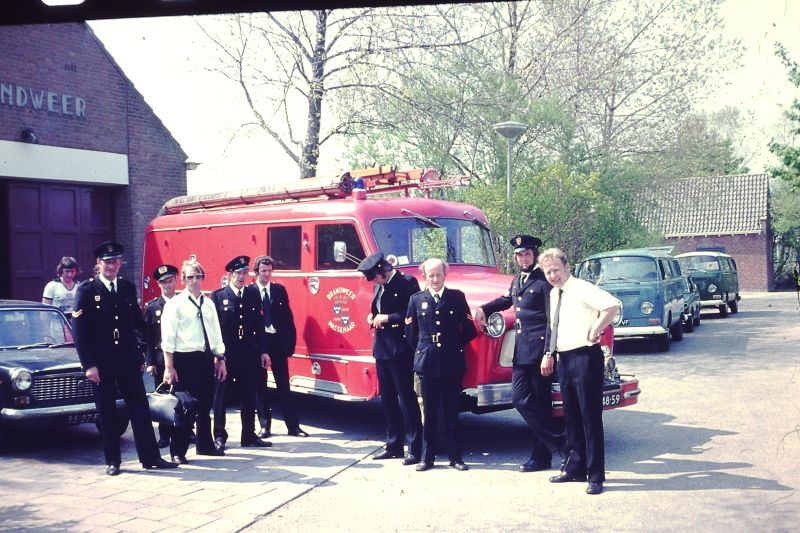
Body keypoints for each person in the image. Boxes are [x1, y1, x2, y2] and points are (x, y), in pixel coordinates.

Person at [72, 241, 177, 476]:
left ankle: (150, 457)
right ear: (99, 263)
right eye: (107, 262)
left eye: (115, 261)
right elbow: (80, 331)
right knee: (107, 412)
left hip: (128, 360)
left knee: (140, 409)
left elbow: (137, 325)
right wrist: (89, 365)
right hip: (102, 362)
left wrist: (142, 352)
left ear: (120, 263)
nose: (112, 266)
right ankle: (113, 461)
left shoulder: (127, 288)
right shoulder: (87, 291)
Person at [475, 234, 566, 473]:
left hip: (539, 351)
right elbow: (508, 300)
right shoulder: (518, 279)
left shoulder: (544, 280)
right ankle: (562, 443)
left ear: (534, 254)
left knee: (540, 404)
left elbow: (552, 320)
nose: (522, 258)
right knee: (520, 399)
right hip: (522, 350)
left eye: (526, 254)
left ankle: (542, 457)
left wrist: (550, 353)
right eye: (518, 255)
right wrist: (484, 308)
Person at [539, 248, 619, 496]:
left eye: (556, 270)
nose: (553, 276)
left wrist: (595, 329)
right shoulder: (554, 293)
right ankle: (575, 468)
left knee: (590, 418)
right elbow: (555, 326)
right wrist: (549, 354)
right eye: (548, 272)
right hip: (564, 359)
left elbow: (612, 305)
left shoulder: (581, 288)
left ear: (567, 268)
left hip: (585, 357)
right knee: (570, 416)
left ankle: (595, 476)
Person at [405, 258, 477, 472]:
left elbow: (469, 330)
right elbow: (411, 335)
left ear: (445, 274)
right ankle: (427, 458)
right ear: (424, 276)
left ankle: (456, 457)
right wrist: (426, 349)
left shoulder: (457, 297)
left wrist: (452, 345)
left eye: (438, 275)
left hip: (451, 362)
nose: (435, 279)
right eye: (431, 275)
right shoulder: (416, 300)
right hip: (427, 362)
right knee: (430, 410)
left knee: (451, 411)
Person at [357, 252, 423, 465]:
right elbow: (375, 309)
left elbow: (413, 313)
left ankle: (414, 447)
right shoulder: (378, 286)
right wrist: (372, 317)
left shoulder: (407, 282)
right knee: (388, 400)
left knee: (406, 399)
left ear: (383, 271)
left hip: (400, 349)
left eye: (375, 277)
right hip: (382, 349)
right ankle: (393, 444)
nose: (374, 282)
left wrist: (388, 318)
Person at [161, 258, 228, 463]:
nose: (195, 281)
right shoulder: (175, 305)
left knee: (205, 404)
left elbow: (215, 333)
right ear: (183, 280)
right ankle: (177, 452)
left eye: (198, 277)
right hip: (183, 359)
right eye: (190, 277)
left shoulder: (208, 303)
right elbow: (168, 337)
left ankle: (205, 445)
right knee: (185, 406)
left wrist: (220, 358)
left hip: (204, 358)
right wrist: (168, 366)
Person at [211, 255, 272, 449]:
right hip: (227, 355)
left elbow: (259, 325)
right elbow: (214, 329)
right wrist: (217, 356)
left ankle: (249, 435)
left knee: (248, 394)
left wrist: (263, 351)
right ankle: (219, 436)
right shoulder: (218, 296)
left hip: (248, 353)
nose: (241, 276)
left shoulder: (253, 294)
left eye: (245, 273)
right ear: (230, 274)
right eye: (238, 273)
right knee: (221, 396)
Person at [251, 255, 308, 438]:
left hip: (277, 342)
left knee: (284, 385)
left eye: (269, 271)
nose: (267, 274)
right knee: (261, 386)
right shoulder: (250, 292)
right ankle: (265, 426)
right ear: (257, 272)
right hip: (260, 343)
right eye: (263, 271)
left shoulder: (279, 290)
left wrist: (289, 344)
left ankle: (293, 427)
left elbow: (287, 319)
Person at [143, 264, 179, 449]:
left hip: (182, 356)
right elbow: (147, 337)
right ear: (158, 284)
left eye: (170, 281)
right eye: (164, 282)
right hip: (160, 358)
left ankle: (186, 430)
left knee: (183, 395)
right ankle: (164, 435)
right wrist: (150, 362)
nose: (168, 285)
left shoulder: (183, 302)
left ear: (176, 281)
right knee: (164, 396)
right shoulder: (152, 307)